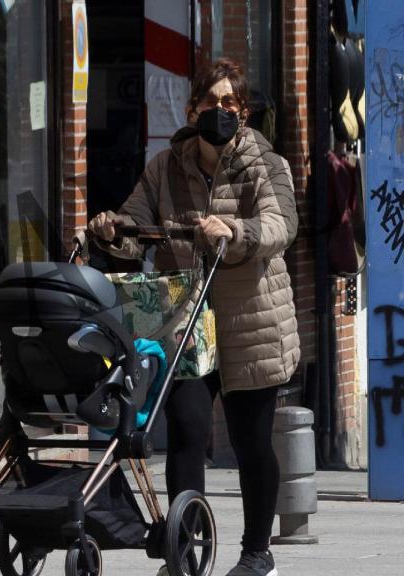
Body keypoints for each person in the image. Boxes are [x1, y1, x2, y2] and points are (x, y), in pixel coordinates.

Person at [89, 58, 299, 576]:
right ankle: (185, 551)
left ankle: (257, 553)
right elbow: (135, 220)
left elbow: (280, 223)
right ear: (192, 110)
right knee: (186, 428)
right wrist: (113, 230)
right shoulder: (166, 167)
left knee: (252, 444)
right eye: (212, 103)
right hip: (187, 321)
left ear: (243, 113)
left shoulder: (263, 164)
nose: (222, 111)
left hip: (252, 318)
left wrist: (235, 231)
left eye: (231, 103)